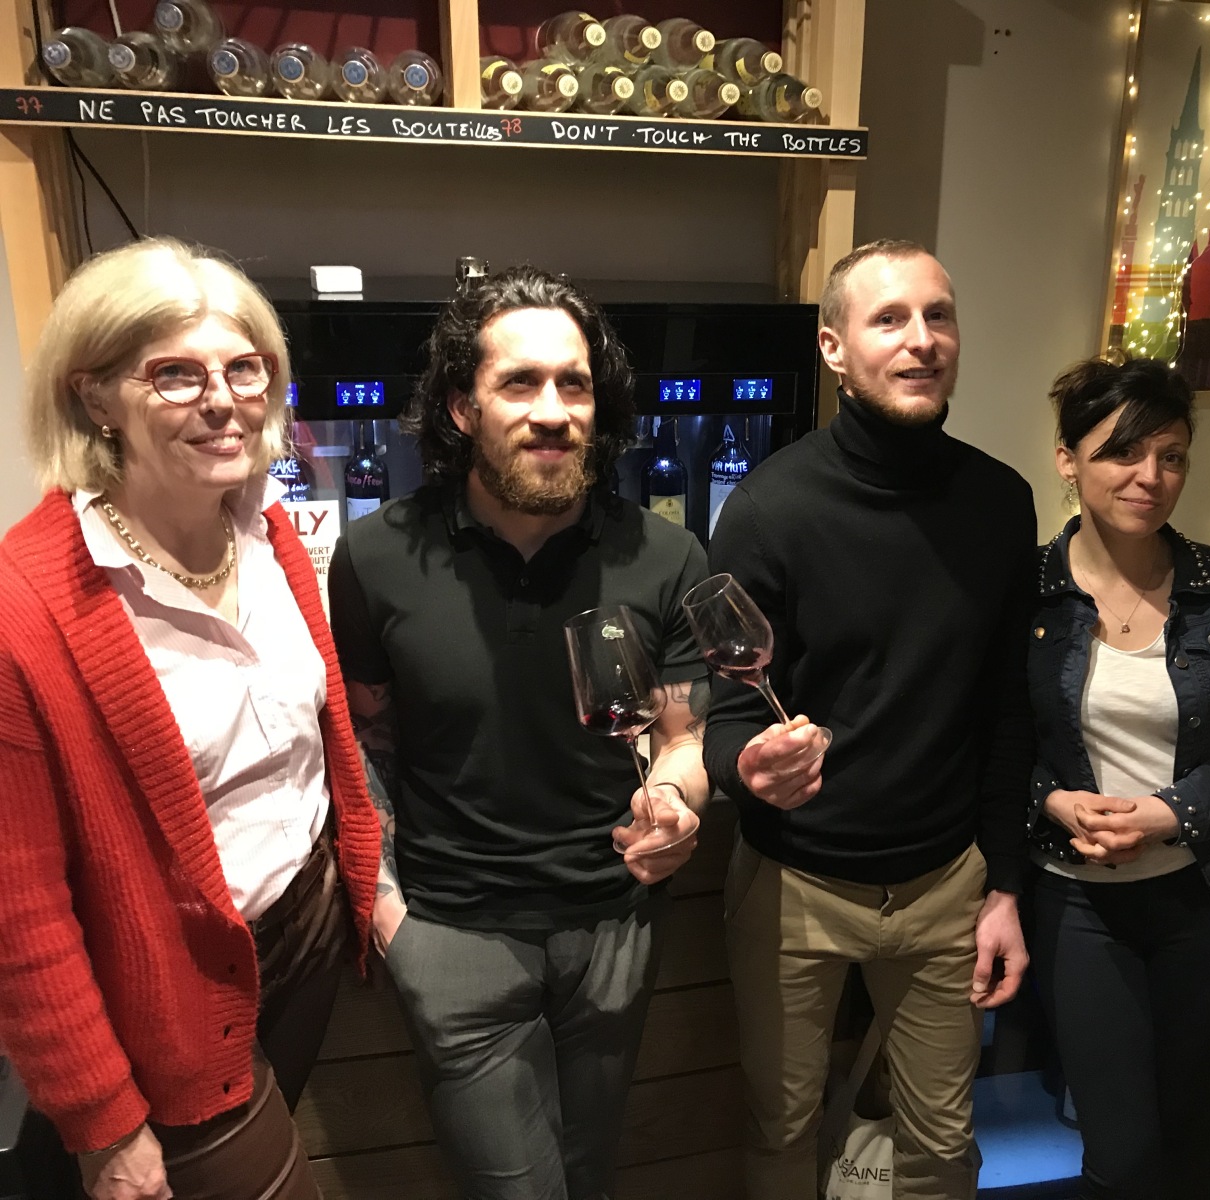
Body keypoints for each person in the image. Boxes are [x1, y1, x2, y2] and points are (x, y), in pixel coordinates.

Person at [0, 237, 380, 1200]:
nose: (223, 400)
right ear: (95, 396)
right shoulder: (22, 607)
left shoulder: (269, 534)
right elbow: (18, 907)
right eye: (176, 374)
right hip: (170, 995)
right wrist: (101, 1120)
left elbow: (320, 748)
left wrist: (367, 880)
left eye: (245, 368)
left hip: (305, 937)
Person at [327, 266, 710, 1200]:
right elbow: (365, 742)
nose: (552, 412)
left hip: (615, 921)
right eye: (520, 383)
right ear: (462, 408)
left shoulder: (665, 555)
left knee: (589, 1176)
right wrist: (392, 919)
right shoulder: (376, 556)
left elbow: (682, 738)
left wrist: (675, 804)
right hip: (454, 927)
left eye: (574, 385)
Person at [703, 238, 1035, 1199]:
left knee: (943, 1147)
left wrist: (1004, 887)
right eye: (889, 319)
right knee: (781, 1130)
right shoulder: (768, 509)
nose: (921, 339)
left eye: (939, 316)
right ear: (834, 349)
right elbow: (725, 717)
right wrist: (749, 767)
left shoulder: (1002, 502)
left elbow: (1007, 709)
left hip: (946, 884)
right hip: (793, 885)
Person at [1024, 356, 1210, 1199]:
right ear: (1068, 459)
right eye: (1122, 451)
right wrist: (1053, 799)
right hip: (1078, 902)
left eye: (1171, 455)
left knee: (1183, 1124)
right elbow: (987, 743)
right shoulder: (1024, 592)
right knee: (1124, 1146)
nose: (1150, 476)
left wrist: (1170, 812)